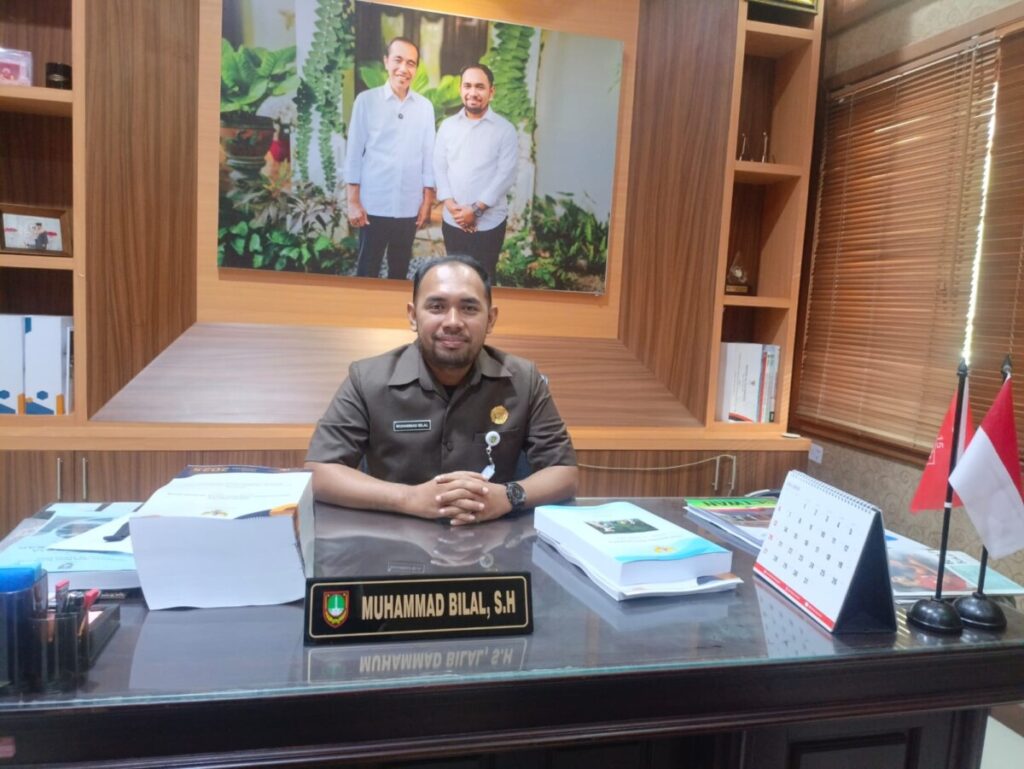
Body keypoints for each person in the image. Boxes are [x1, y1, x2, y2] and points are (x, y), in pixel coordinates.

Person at [306, 254, 578, 525]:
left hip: (495, 538)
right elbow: (320, 471)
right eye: (436, 307)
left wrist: (508, 496)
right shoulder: (366, 379)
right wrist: (409, 498)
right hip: (393, 538)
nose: (453, 322)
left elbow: (563, 472)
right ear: (413, 316)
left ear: (491, 319)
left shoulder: (524, 380)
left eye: (469, 308)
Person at [344, 37, 435, 281]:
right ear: (386, 62)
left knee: (399, 272)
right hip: (373, 204)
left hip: (408, 205)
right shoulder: (366, 101)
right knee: (367, 270)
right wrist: (353, 202)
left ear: (416, 68)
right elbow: (354, 154)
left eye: (411, 63)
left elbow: (429, 157)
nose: (403, 69)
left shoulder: (425, 107)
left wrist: (427, 202)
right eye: (398, 60)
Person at [433, 64, 518, 279]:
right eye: (467, 86)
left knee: (483, 280)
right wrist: (451, 206)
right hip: (453, 220)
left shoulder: (505, 130)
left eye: (480, 87)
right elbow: (439, 167)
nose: (473, 92)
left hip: (489, 223)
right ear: (460, 89)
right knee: (455, 278)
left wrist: (476, 211)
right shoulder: (448, 126)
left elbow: (505, 175)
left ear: (491, 91)